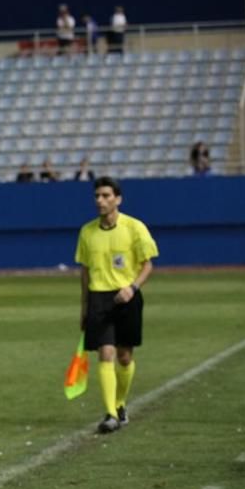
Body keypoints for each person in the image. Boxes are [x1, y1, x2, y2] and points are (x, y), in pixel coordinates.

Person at [75, 176, 158, 435]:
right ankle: (110, 413)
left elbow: (148, 265)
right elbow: (85, 272)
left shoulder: (135, 228)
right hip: (99, 297)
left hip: (127, 297)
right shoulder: (87, 232)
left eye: (106, 196)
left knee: (125, 356)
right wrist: (85, 307)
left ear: (118, 199)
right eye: (97, 196)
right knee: (106, 353)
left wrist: (132, 288)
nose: (100, 200)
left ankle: (120, 404)